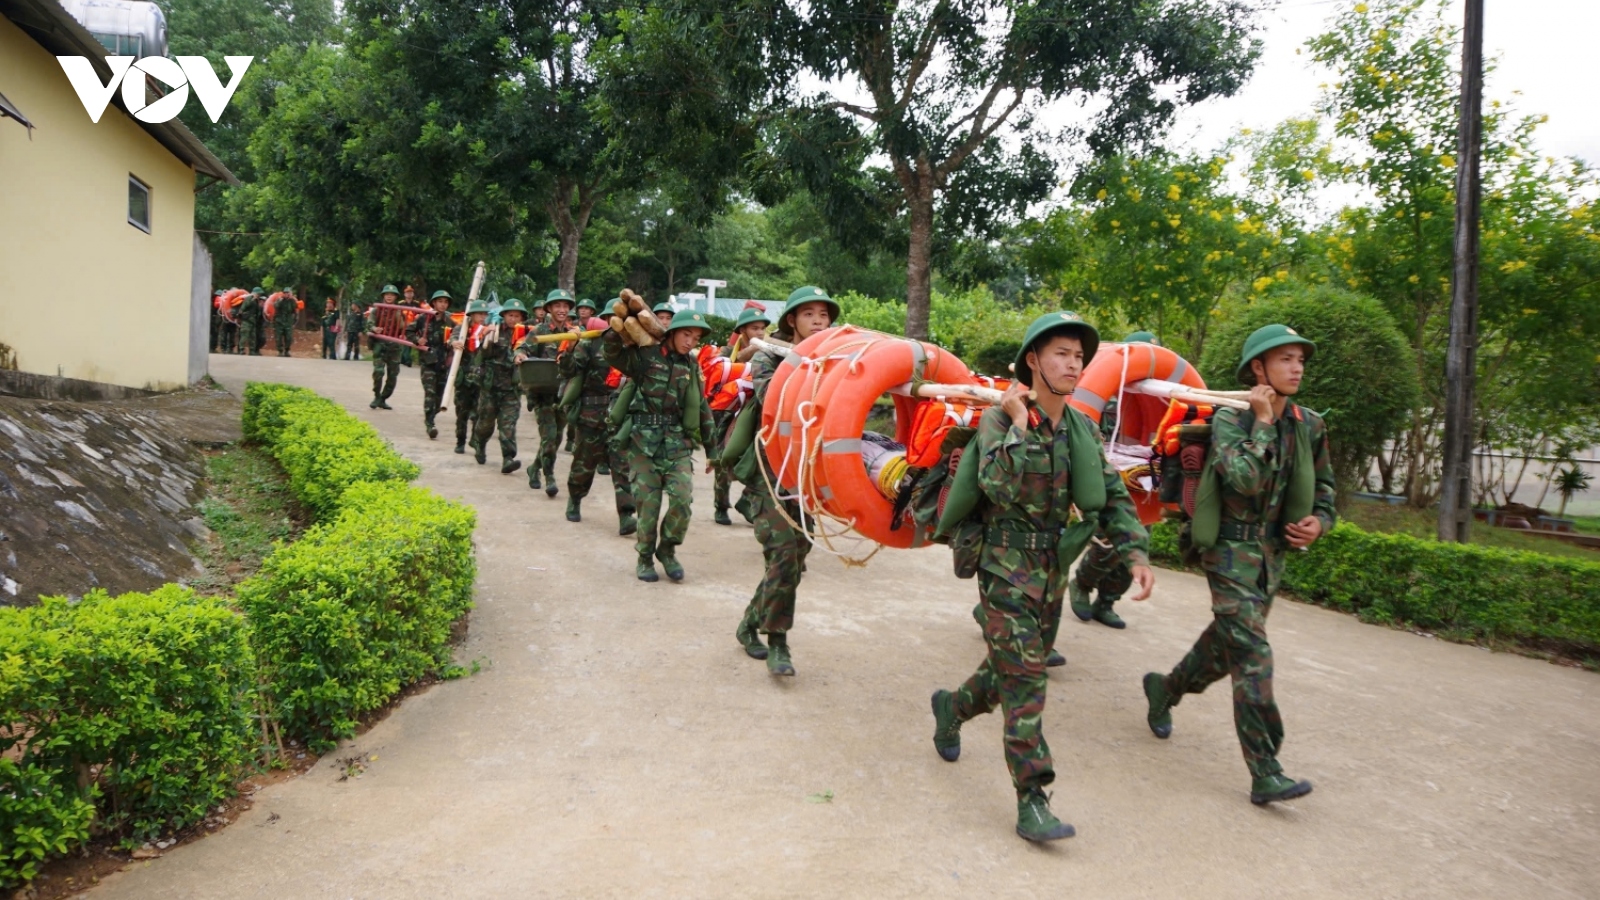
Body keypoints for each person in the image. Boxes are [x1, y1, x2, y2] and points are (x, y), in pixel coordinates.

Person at [929, 311, 1156, 843]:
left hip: (1053, 571)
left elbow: (1112, 495)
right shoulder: (997, 422)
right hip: (1003, 569)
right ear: (1032, 360)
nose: (1073, 365)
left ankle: (952, 706)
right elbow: (998, 487)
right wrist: (1017, 424)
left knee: (1008, 673)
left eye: (1079, 357)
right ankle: (1032, 797)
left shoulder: (1082, 429)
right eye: (1061, 354)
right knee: (1028, 681)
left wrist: (1136, 554)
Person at [1141, 324, 1336, 806]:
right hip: (1228, 550)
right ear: (1258, 369)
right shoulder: (1231, 419)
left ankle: (1166, 688)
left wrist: (1320, 521)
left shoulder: (1310, 425)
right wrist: (1263, 421)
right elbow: (1244, 479)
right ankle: (1265, 769)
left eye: (1300, 360)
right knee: (1253, 655)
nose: (1297, 368)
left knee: (1225, 648)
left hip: (1272, 556)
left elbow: (1326, 489)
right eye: (1286, 359)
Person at [732, 287, 837, 675]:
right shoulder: (768, 358)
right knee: (783, 556)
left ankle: (748, 624)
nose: (818, 321)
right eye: (809, 314)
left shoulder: (836, 362)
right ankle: (778, 641)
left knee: (794, 559)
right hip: (770, 475)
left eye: (824, 315)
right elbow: (774, 401)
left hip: (806, 476)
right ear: (791, 320)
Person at [603, 309, 713, 583]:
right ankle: (644, 557)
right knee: (648, 506)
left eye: (695, 338)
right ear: (672, 332)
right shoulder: (647, 355)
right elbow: (613, 356)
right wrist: (614, 333)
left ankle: (667, 549)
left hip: (676, 443)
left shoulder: (691, 365)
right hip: (643, 442)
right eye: (686, 334)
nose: (690, 342)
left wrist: (714, 452)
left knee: (682, 500)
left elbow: (702, 407)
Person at [1069, 329, 1161, 630]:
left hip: (1141, 479)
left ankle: (1107, 602)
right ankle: (1082, 582)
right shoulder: (1105, 390)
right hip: (1104, 475)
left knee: (1138, 540)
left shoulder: (1158, 396)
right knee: (1107, 543)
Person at [558, 304, 635, 534]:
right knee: (584, 463)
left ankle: (626, 515)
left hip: (621, 416)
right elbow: (569, 371)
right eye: (612, 318)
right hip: (591, 415)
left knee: (622, 466)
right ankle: (575, 499)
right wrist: (569, 350)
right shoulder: (591, 343)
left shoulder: (633, 346)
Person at [710, 305, 770, 526]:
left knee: (759, 458)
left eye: (762, 328)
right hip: (727, 412)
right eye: (754, 328)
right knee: (723, 459)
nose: (760, 333)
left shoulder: (769, 350)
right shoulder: (727, 353)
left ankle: (746, 501)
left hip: (754, 410)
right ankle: (721, 505)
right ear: (742, 331)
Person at [525, 289, 576, 496]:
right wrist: (520, 356)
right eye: (557, 306)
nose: (562, 310)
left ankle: (534, 467)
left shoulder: (574, 332)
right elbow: (522, 349)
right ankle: (549, 477)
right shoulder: (540, 331)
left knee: (556, 439)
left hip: (563, 395)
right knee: (549, 437)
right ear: (549, 309)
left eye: (565, 306)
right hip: (542, 393)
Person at [476, 298, 529, 473]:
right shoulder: (495, 330)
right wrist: (486, 337)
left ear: (522, 318)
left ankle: (508, 458)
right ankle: (480, 443)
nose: (513, 319)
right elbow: (482, 354)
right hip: (491, 387)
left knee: (508, 425)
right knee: (486, 423)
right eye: (510, 315)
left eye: (517, 316)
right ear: (504, 316)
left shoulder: (526, 336)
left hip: (512, 388)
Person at [409, 290, 455, 439]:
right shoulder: (423, 318)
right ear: (434, 303)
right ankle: (430, 424)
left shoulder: (450, 321)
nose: (443, 304)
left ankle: (430, 416)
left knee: (440, 398)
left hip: (443, 363)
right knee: (430, 393)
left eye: (445, 302)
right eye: (440, 301)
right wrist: (417, 340)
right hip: (428, 362)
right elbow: (408, 331)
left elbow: (459, 335)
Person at [452, 299, 490, 453]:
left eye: (484, 314)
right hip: (464, 377)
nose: (482, 317)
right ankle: (460, 441)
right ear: (472, 315)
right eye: (479, 314)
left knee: (478, 412)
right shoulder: (462, 329)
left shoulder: (487, 330)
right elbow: (453, 338)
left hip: (479, 378)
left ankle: (475, 440)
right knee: (462, 412)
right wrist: (454, 343)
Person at [367, 285, 404, 409]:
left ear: (396, 297)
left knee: (393, 375)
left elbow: (404, 327)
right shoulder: (377, 310)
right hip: (380, 345)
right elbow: (369, 323)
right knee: (378, 372)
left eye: (392, 294)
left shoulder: (400, 311)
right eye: (387, 294)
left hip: (394, 347)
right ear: (383, 296)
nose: (389, 296)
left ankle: (383, 398)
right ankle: (377, 396)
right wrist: (374, 329)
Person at [236, 287, 263, 356]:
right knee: (244, 336)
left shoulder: (256, 301)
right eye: (258, 294)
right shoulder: (248, 299)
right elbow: (243, 308)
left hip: (253, 321)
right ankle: (241, 349)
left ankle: (252, 350)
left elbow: (257, 311)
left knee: (253, 337)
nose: (259, 295)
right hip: (246, 321)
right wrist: (252, 300)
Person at [271, 290, 297, 357]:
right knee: (278, 338)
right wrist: (280, 300)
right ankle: (280, 351)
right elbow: (276, 306)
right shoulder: (280, 300)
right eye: (285, 293)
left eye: (288, 293)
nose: (287, 294)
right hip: (279, 322)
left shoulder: (292, 301)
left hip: (288, 322)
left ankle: (287, 351)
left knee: (289, 338)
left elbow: (295, 308)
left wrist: (292, 299)